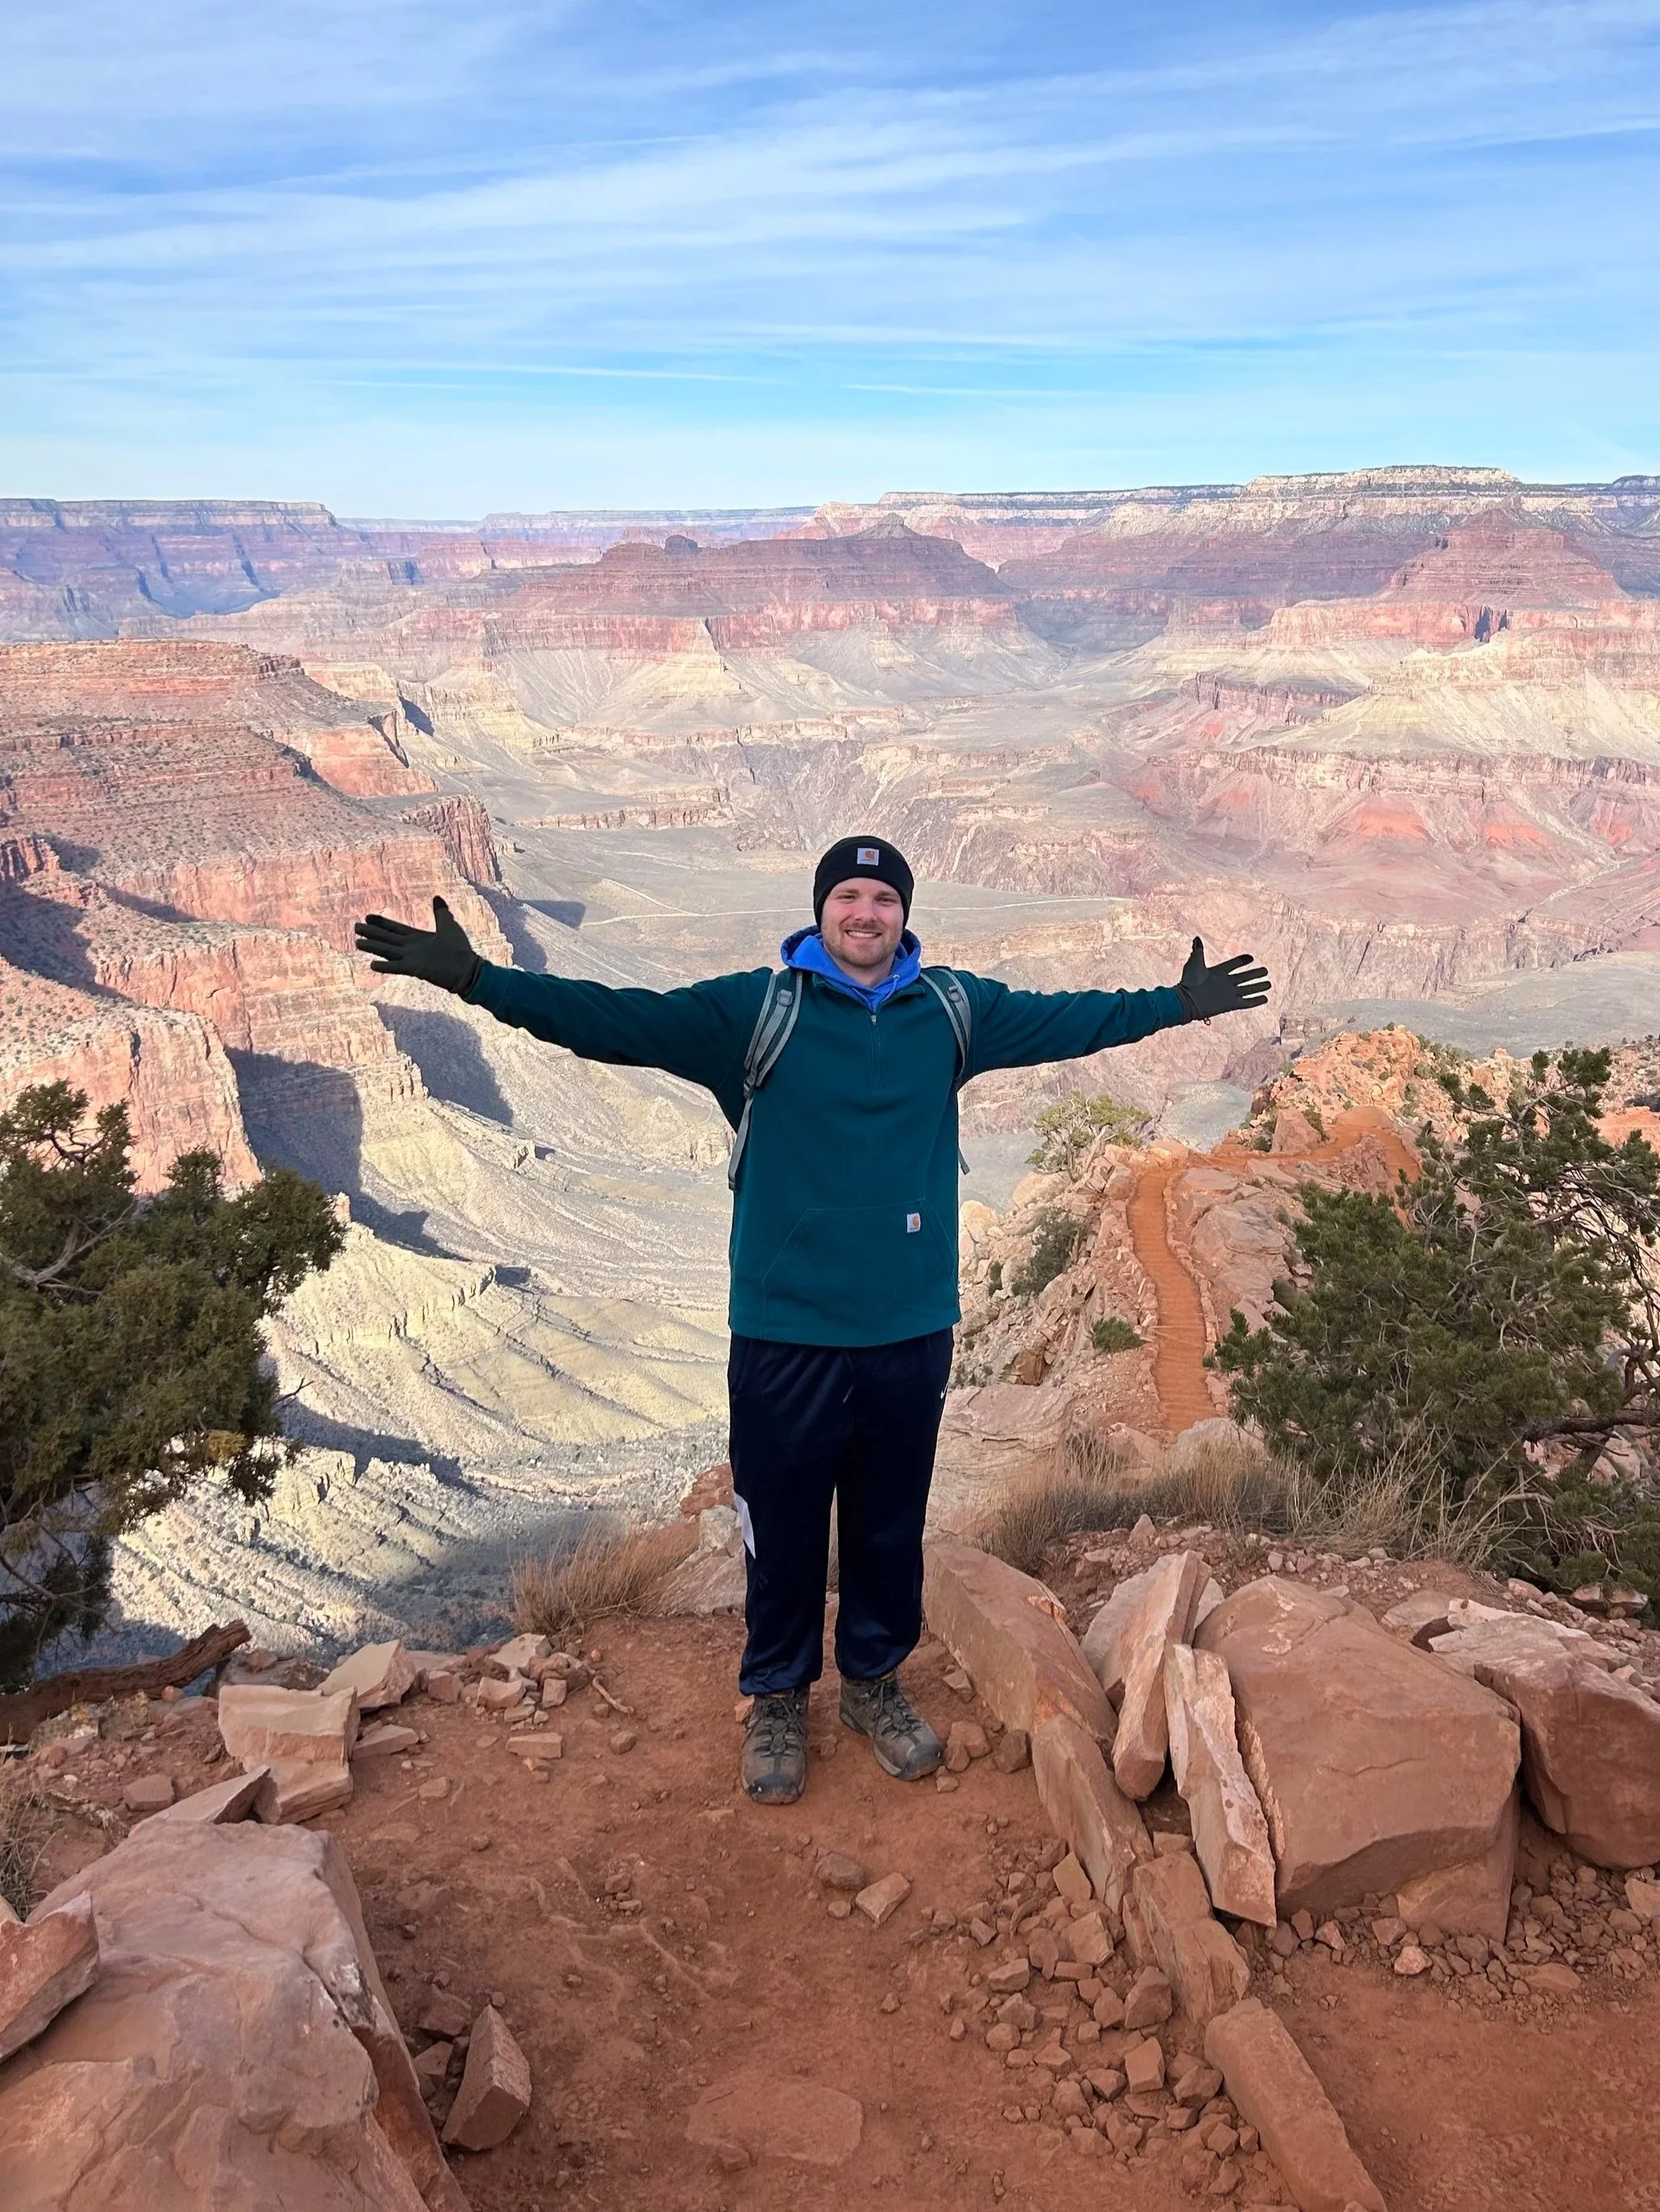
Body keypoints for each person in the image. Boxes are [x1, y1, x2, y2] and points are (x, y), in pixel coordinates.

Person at [355, 837, 1269, 1805]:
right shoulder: (758, 1010)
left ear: (904, 914)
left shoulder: (952, 1012)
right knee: (781, 1529)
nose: (865, 913)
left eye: (882, 898)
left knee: (884, 1526)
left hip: (906, 1326)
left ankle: (875, 1683)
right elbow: (609, 1021)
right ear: (821, 909)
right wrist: (479, 980)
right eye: (849, 896)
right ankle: (780, 1694)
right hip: (785, 1329)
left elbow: (1068, 1021)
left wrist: (1176, 1004)